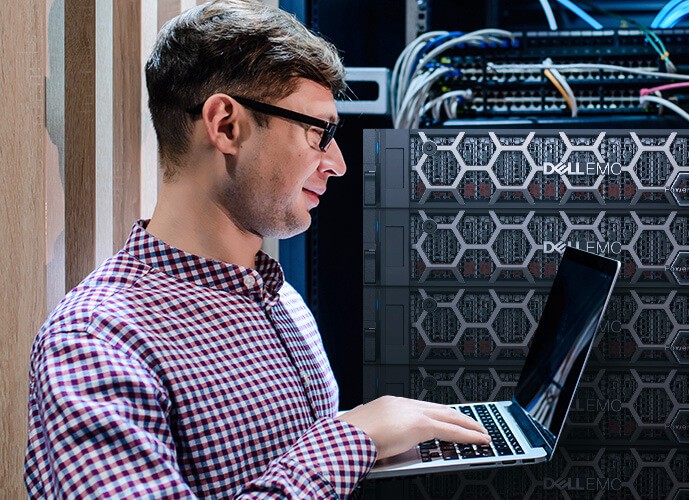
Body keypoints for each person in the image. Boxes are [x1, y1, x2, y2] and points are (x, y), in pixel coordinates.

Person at [24, 1, 490, 498]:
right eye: (319, 132)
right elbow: (323, 457)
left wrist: (378, 447)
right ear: (226, 125)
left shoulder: (280, 300)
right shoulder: (96, 344)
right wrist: (351, 438)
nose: (337, 163)